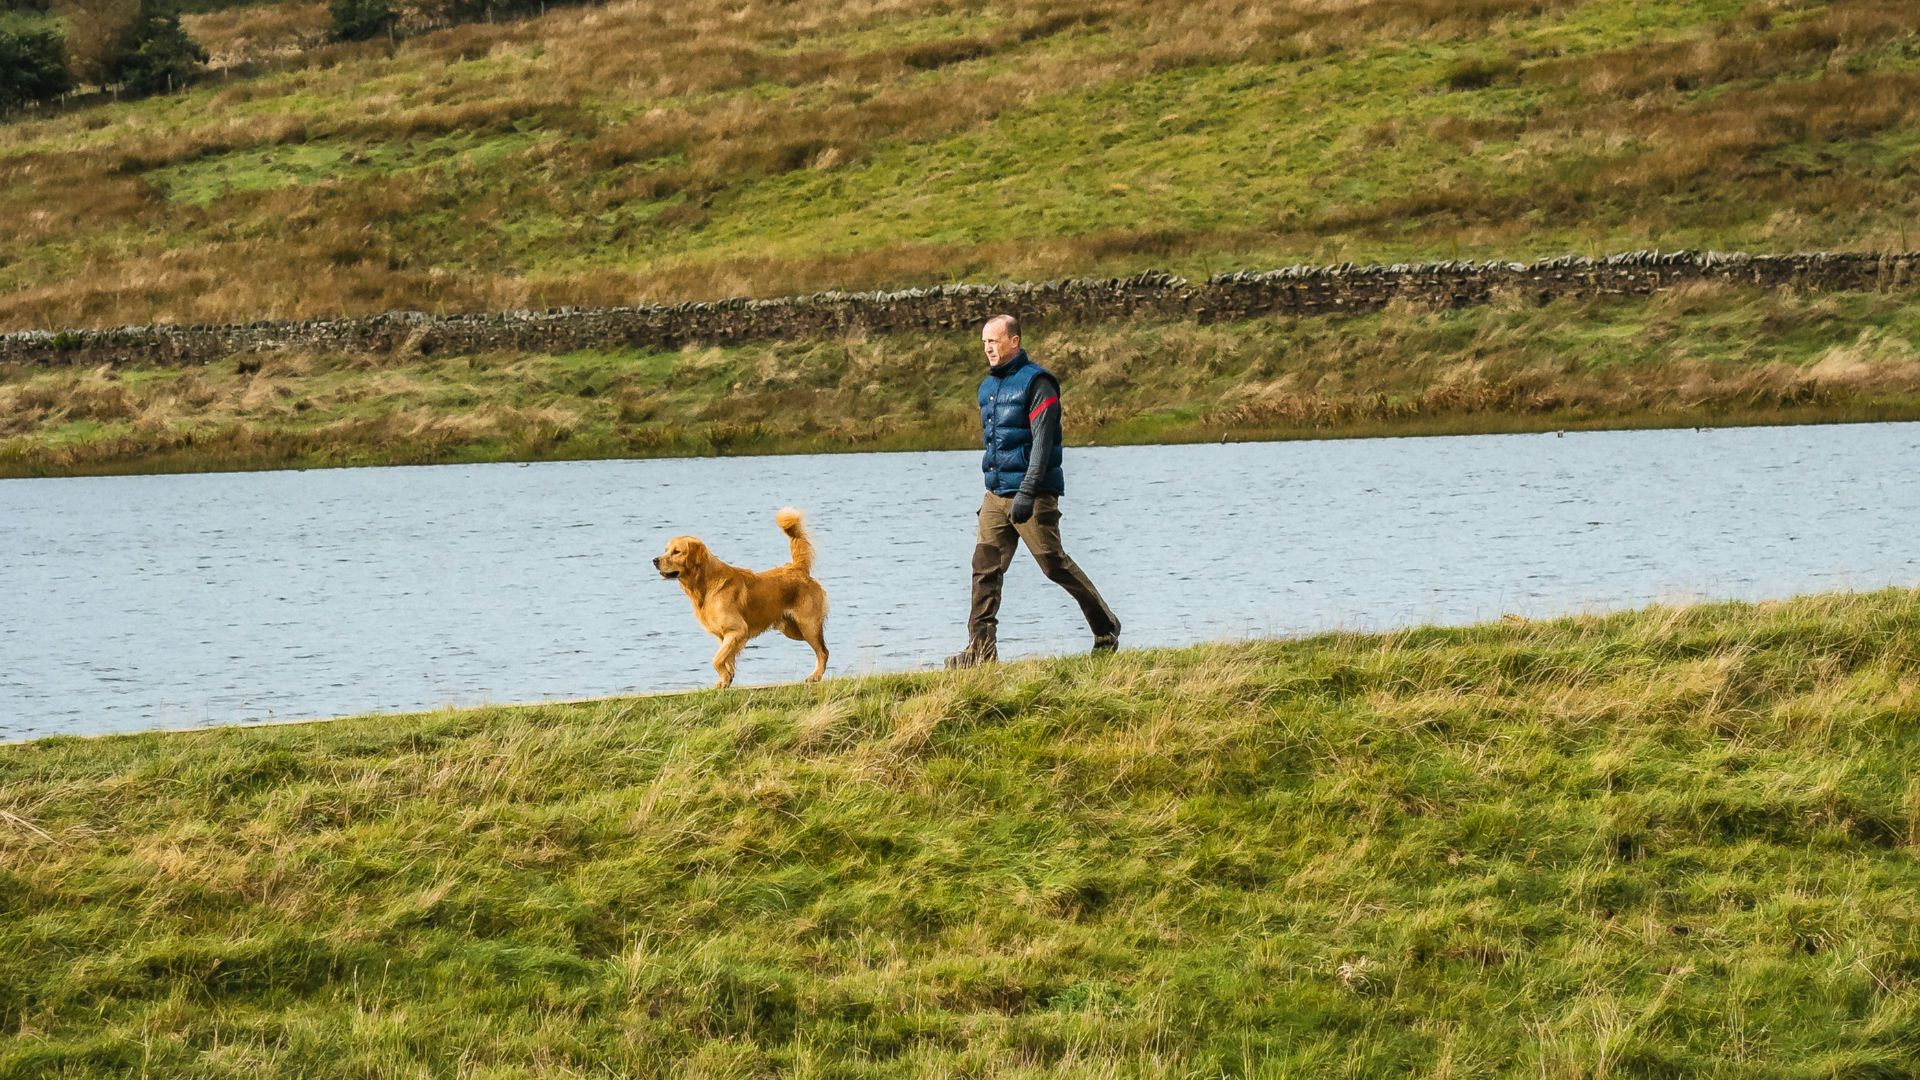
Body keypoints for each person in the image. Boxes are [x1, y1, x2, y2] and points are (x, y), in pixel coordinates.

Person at [946, 314, 1120, 668]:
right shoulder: (987, 388)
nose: (988, 349)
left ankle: (1105, 627)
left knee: (1053, 565)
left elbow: (1042, 443)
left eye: (993, 341)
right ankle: (980, 650)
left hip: (1033, 494)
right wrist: (997, 491)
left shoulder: (1038, 383)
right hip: (995, 495)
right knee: (984, 568)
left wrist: (1027, 492)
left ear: (1014, 341)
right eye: (984, 343)